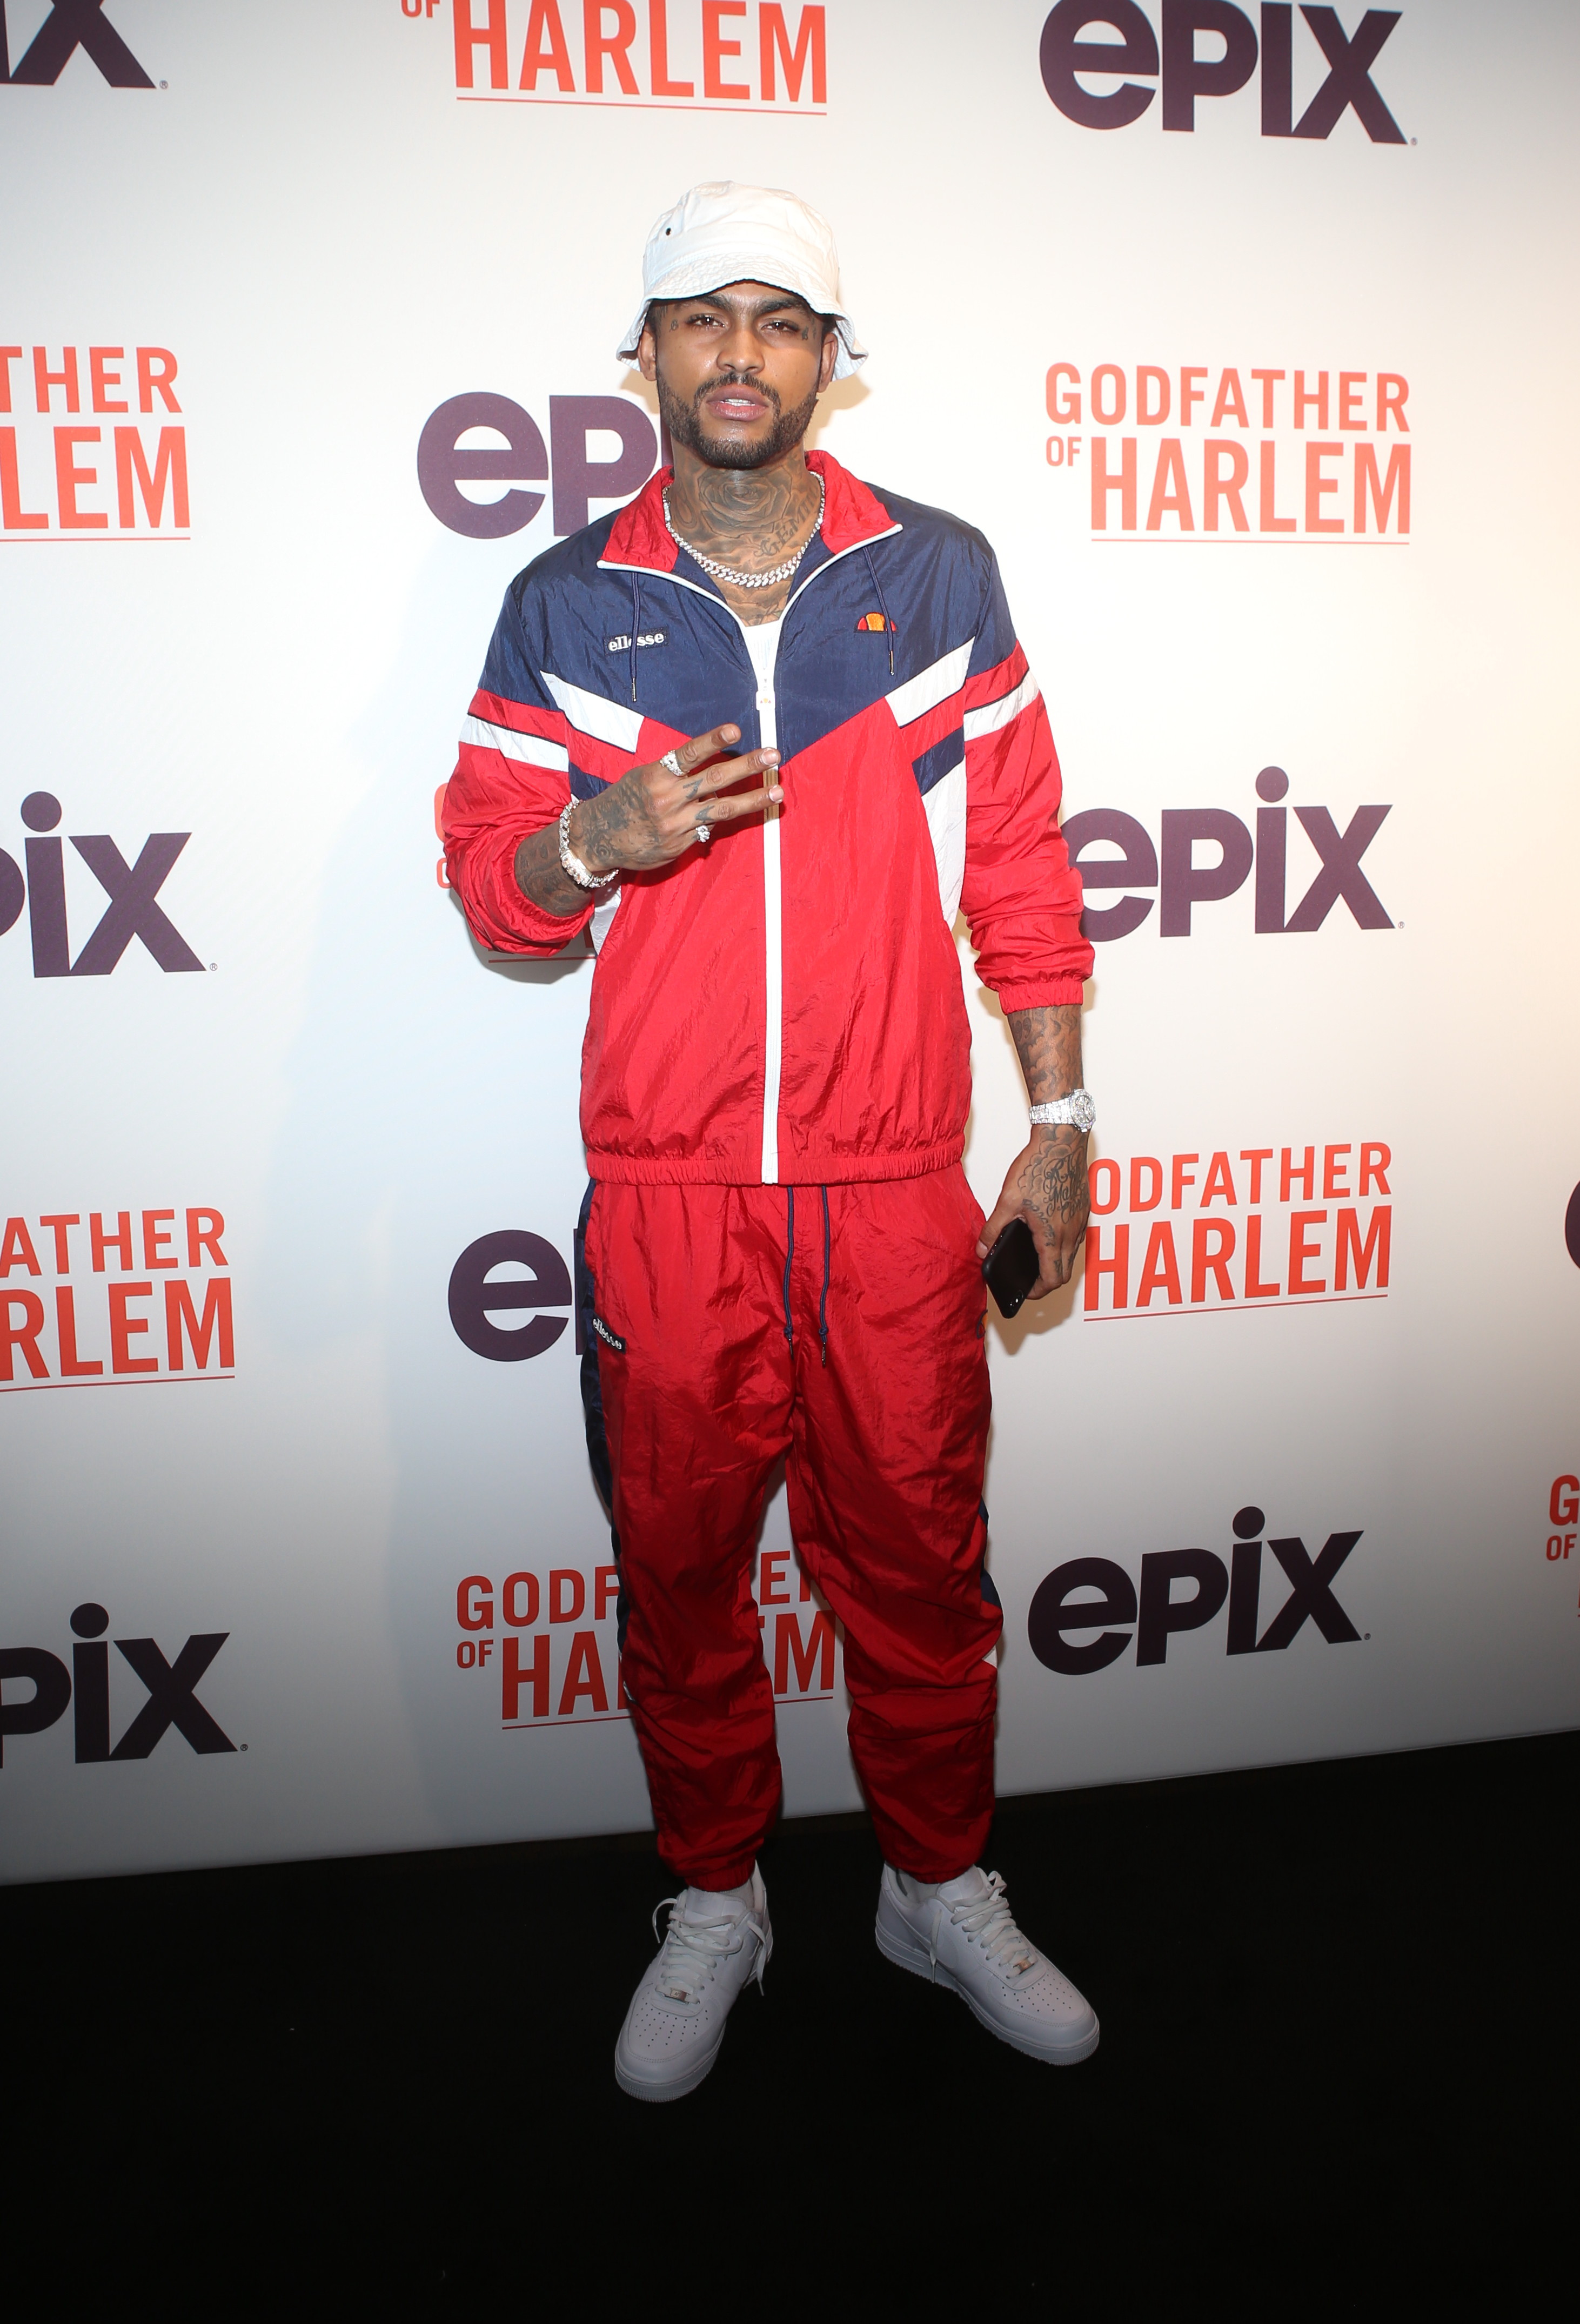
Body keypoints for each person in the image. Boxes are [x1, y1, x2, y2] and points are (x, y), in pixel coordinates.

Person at [443, 182, 1100, 2103]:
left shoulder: (943, 577)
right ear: (640, 357)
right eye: (698, 319)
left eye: (777, 317)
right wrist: (592, 841)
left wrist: (1055, 1124)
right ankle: (718, 1895)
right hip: (667, 1205)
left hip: (896, 1190)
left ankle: (935, 1884)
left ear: (831, 359)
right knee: (678, 1578)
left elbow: (1025, 868)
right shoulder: (563, 605)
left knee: (920, 1573)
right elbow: (496, 895)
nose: (738, 352)